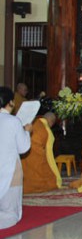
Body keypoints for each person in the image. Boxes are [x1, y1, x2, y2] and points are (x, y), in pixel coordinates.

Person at [0, 87, 32, 229]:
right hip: (10, 169)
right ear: (11, 102)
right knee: (10, 214)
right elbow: (23, 148)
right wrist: (27, 131)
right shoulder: (13, 121)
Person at [22, 112, 62, 194]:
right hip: (35, 158)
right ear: (51, 122)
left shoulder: (33, 122)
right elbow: (49, 155)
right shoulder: (47, 130)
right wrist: (56, 175)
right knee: (49, 181)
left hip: (23, 156)